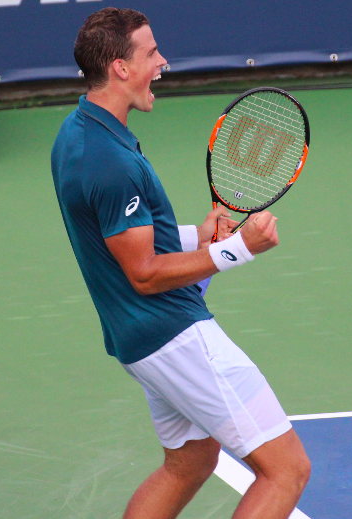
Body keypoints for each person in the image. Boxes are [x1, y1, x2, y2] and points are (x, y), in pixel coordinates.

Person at [50, 8, 311, 519]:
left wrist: (199, 235)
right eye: (151, 53)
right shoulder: (110, 162)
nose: (163, 62)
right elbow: (144, 272)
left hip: (138, 339)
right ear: (121, 68)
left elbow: (124, 240)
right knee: (287, 470)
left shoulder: (78, 133)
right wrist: (238, 250)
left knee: (190, 463)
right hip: (173, 334)